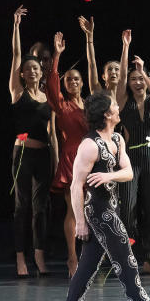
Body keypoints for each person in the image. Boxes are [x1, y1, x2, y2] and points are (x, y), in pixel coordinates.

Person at [58, 94, 150, 301]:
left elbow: (129, 172)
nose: (118, 107)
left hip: (111, 208)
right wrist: (80, 222)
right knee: (128, 266)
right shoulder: (89, 145)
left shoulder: (118, 139)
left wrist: (109, 177)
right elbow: (75, 186)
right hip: (99, 213)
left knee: (86, 271)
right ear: (106, 114)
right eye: (113, 106)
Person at [115, 30, 150, 275]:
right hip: (129, 158)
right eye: (133, 79)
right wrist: (126, 48)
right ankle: (127, 256)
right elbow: (121, 78)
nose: (137, 82)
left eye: (141, 79)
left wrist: (144, 70)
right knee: (127, 208)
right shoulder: (122, 101)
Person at [9, 5, 56, 277]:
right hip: (23, 154)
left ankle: (39, 256)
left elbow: (51, 131)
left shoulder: (46, 97)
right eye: (28, 69)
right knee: (21, 207)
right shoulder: (18, 92)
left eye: (36, 68)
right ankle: (20, 259)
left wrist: (56, 158)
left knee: (41, 209)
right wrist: (16, 26)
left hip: (43, 156)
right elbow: (16, 54)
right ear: (22, 73)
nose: (32, 71)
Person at [47, 30, 89, 278]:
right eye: (69, 79)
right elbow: (51, 85)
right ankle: (72, 258)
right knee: (73, 211)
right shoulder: (61, 105)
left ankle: (88, 257)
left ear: (82, 82)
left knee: (91, 211)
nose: (72, 81)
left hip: (90, 160)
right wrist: (57, 56)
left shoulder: (92, 104)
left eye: (76, 79)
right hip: (71, 160)